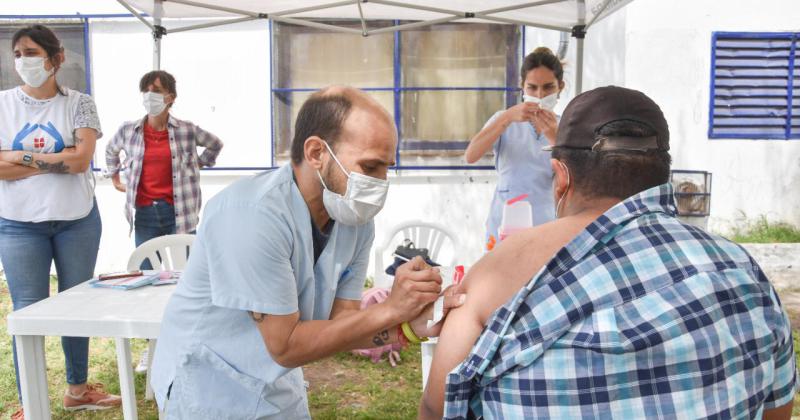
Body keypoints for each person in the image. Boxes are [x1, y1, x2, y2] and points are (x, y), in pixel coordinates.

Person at [421, 86, 796, 419]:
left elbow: (436, 408)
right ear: (663, 173)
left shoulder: (502, 271)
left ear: (561, 176)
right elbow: (777, 408)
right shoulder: (741, 268)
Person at [150, 86, 464, 418]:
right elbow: (286, 346)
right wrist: (391, 309)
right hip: (206, 384)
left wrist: (408, 325)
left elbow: (343, 323)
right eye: (371, 167)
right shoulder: (251, 216)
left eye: (387, 168)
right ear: (316, 152)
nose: (381, 183)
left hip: (275, 382)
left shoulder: (354, 221)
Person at [0, 25, 121, 419]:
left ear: (56, 58)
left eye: (32, 52)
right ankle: (29, 403)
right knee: (26, 310)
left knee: (77, 305)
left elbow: (82, 160)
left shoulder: (80, 103)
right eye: (18, 53)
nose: (24, 61)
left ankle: (77, 389)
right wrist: (58, 159)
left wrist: (19, 157)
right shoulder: (2, 104)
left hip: (77, 222)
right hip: (18, 225)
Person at [105, 69, 224, 252]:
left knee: (185, 272)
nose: (149, 95)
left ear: (171, 97)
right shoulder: (128, 130)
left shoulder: (186, 130)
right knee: (146, 273)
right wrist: (115, 180)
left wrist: (198, 163)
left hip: (181, 211)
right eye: (146, 90)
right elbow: (110, 150)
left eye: (157, 90)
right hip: (144, 212)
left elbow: (215, 144)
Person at [465, 47, 565, 247]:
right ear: (522, 87)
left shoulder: (566, 126)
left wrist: (556, 138)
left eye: (548, 87)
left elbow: (578, 176)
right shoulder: (504, 120)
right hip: (504, 222)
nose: (540, 94)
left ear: (560, 87)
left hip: (545, 224)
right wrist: (507, 118)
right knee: (499, 276)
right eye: (532, 87)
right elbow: (471, 155)